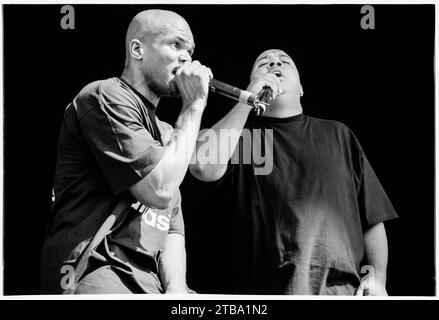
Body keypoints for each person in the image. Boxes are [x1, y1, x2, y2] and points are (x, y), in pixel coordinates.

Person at [189, 49, 398, 295]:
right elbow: (203, 166)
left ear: (300, 89)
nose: (274, 63)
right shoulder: (246, 139)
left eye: (284, 61)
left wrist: (378, 276)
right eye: (263, 63)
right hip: (267, 292)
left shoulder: (338, 134)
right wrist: (247, 99)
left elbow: (371, 217)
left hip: (342, 291)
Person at [40, 9, 212, 294]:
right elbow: (159, 190)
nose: (186, 58)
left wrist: (177, 289)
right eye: (176, 45)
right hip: (97, 271)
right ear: (137, 49)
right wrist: (194, 106)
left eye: (190, 51)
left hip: (149, 282)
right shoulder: (105, 95)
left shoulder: (171, 132)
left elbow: (171, 227)